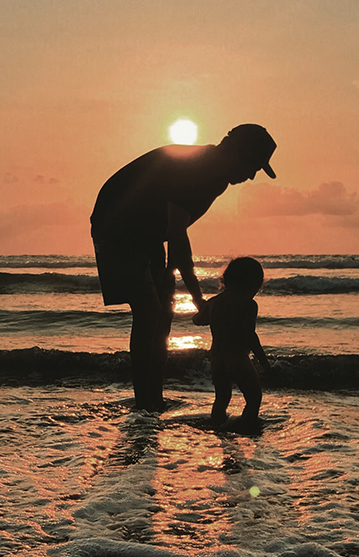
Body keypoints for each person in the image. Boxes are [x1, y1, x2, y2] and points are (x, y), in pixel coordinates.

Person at [90, 123, 277, 411]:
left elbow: (175, 226)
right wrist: (197, 297)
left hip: (148, 233)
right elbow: (177, 233)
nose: (252, 176)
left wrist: (170, 274)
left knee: (164, 309)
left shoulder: (217, 179)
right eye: (253, 165)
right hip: (116, 225)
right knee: (148, 310)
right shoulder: (199, 168)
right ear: (237, 153)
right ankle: (143, 404)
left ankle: (155, 398)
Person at [192, 257, 269, 430]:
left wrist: (202, 306)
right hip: (238, 359)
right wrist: (264, 362)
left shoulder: (214, 302)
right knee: (254, 397)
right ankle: (247, 427)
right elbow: (249, 335)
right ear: (252, 283)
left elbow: (198, 320)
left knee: (221, 398)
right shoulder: (248, 304)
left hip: (217, 359)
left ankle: (218, 428)